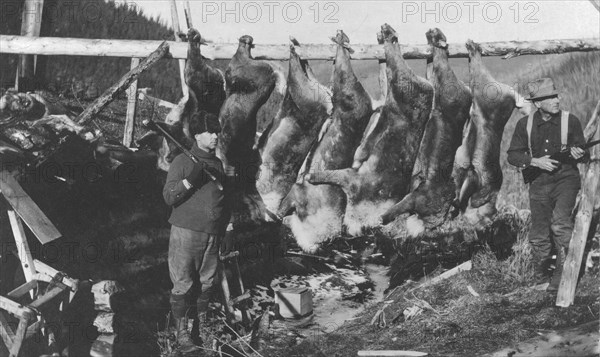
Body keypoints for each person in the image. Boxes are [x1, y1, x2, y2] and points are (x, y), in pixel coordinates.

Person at [507, 77, 589, 292]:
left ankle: (565, 275)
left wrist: (579, 153)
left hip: (566, 180)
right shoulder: (524, 125)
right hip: (538, 183)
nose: (557, 100)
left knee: (560, 224)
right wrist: (535, 162)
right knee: (539, 236)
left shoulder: (570, 121)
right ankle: (540, 275)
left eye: (556, 95)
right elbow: (513, 155)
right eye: (550, 97)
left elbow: (583, 152)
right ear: (537, 103)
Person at [163, 111, 230, 352]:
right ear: (197, 134)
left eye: (217, 132)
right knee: (183, 284)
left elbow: (223, 200)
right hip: (186, 233)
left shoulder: (218, 164)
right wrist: (191, 180)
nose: (215, 136)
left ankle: (200, 329)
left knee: (206, 284)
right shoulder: (182, 161)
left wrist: (225, 229)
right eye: (210, 132)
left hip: (212, 234)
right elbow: (169, 196)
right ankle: (182, 335)